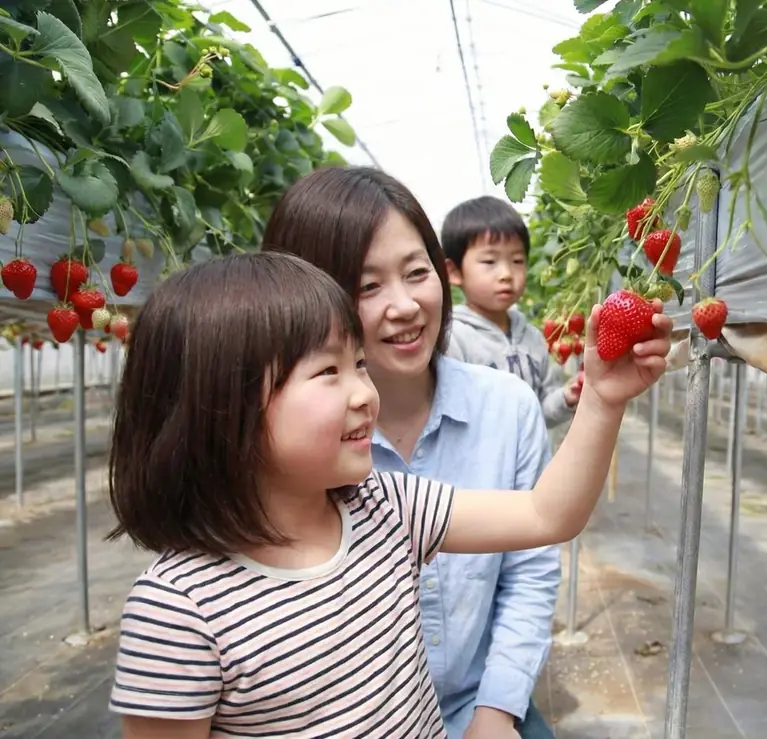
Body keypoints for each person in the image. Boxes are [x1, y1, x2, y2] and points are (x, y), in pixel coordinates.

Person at [105, 251, 671, 738]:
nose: (364, 393)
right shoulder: (179, 612)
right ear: (221, 407)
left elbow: (547, 514)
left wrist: (601, 399)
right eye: (328, 371)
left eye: (358, 364)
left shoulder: (384, 507)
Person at [260, 168, 559, 738]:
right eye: (366, 286)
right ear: (303, 300)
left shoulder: (509, 408)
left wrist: (496, 713)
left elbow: (531, 568)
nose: (405, 306)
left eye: (416, 273)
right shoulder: (290, 447)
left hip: (480, 701)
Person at [441, 195, 579, 428]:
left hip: (533, 463)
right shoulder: (453, 339)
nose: (506, 273)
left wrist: (566, 397)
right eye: (489, 261)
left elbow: (541, 412)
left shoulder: (533, 338)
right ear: (454, 272)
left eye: (517, 260)